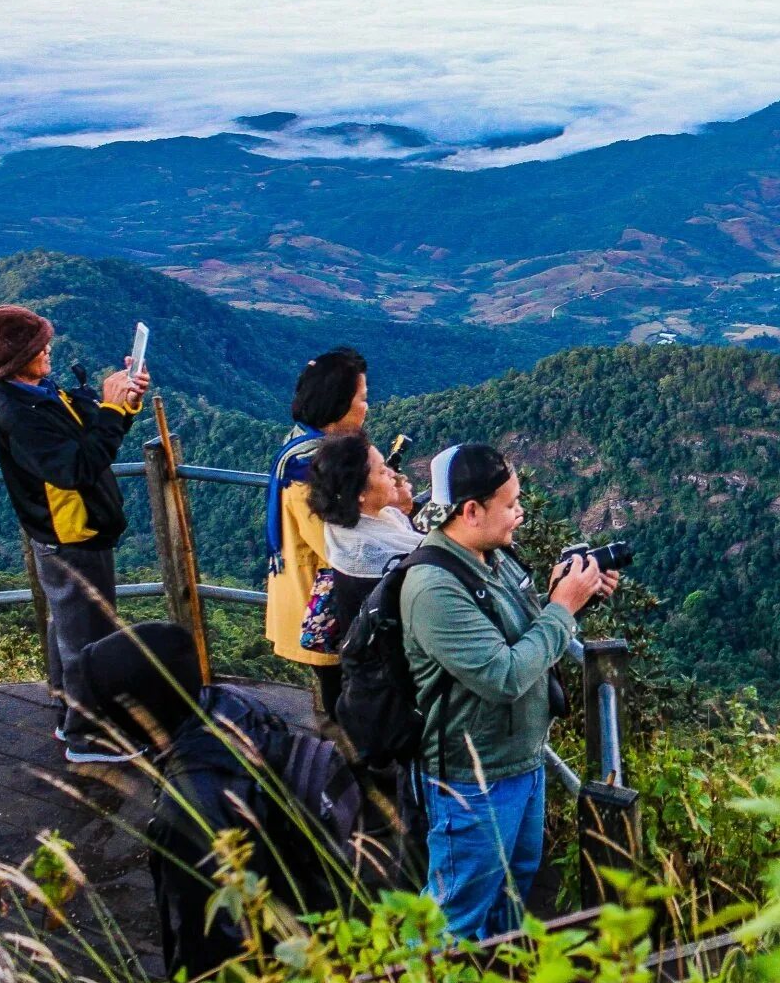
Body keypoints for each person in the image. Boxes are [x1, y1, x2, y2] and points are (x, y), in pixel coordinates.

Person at [401, 443, 616, 940]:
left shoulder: (491, 557)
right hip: (471, 780)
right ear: (471, 510)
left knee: (509, 898)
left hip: (521, 762)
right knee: (451, 917)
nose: (521, 512)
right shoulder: (434, 586)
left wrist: (573, 598)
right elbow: (505, 675)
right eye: (512, 503)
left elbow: (521, 633)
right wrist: (562, 608)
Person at [69, 620, 359, 983]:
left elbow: (209, 945)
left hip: (272, 975)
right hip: (314, 902)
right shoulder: (235, 704)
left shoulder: (189, 810)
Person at [0, 304, 149, 765]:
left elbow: (90, 438)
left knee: (69, 624)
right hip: (70, 534)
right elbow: (78, 467)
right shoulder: (21, 413)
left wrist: (122, 403)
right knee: (88, 633)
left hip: (72, 530)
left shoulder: (38, 393)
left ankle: (64, 707)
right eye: (38, 345)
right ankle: (87, 736)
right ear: (14, 359)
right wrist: (109, 407)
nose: (48, 348)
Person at [264, 347, 368, 718]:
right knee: (341, 696)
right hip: (322, 604)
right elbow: (334, 543)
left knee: (340, 690)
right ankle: (346, 763)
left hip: (316, 597)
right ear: (337, 404)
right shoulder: (309, 469)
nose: (366, 407)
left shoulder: (304, 447)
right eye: (362, 398)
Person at [302, 431, 422, 655]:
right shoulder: (369, 554)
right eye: (382, 471)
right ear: (359, 493)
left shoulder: (354, 525)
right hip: (387, 671)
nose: (393, 476)